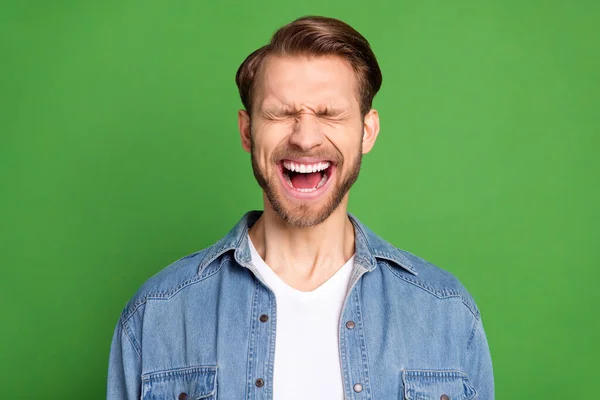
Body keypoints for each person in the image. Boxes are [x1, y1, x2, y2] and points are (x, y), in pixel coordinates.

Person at [107, 15, 494, 400]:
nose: (306, 139)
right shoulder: (157, 315)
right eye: (281, 113)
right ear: (247, 130)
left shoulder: (446, 312)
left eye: (329, 114)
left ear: (367, 131)